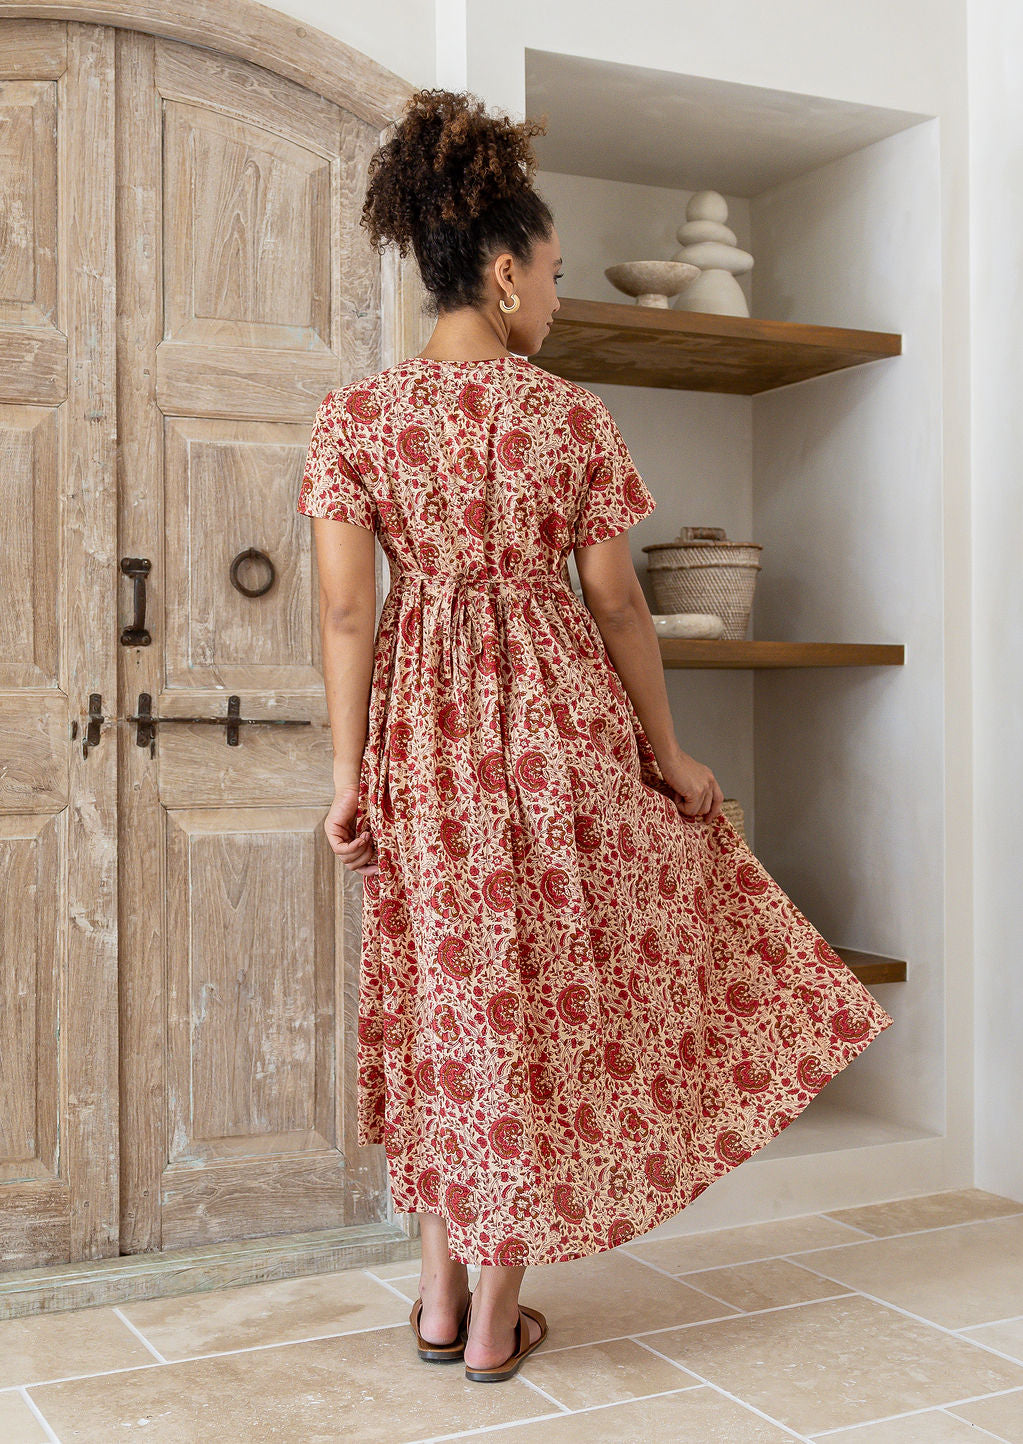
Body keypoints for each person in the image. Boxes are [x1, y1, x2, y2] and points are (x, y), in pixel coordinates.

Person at [296, 87, 895, 1384]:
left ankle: (440, 1300)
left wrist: (348, 777)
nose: (559, 301)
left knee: (449, 1004)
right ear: (505, 273)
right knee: (540, 1008)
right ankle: (495, 1321)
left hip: (424, 754)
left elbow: (348, 609)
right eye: (556, 275)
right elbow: (619, 605)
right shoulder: (569, 418)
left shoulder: (357, 420)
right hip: (559, 741)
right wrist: (668, 758)